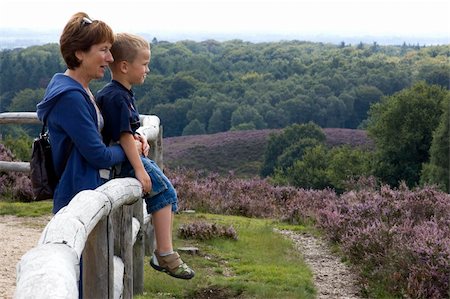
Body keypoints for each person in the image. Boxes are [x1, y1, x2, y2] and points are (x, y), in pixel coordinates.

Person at [96, 32, 195, 280]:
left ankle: (163, 251)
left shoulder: (119, 93)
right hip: (126, 163)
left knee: (168, 194)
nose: (148, 70)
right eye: (145, 64)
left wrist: (138, 136)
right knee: (164, 192)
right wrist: (139, 169)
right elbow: (123, 136)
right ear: (125, 66)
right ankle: (164, 253)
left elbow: (125, 131)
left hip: (128, 157)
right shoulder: (116, 96)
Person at [36, 12, 145, 213]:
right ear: (79, 53)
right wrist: (131, 150)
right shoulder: (71, 98)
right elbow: (99, 155)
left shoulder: (80, 89)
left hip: (86, 193)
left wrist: (133, 136)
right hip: (79, 199)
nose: (110, 58)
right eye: (103, 50)